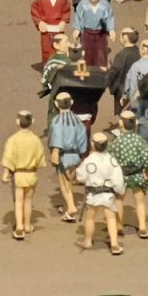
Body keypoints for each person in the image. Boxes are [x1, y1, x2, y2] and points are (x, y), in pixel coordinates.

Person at [75, 132, 125, 254]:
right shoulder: (111, 160)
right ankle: (114, 244)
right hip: (108, 194)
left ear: (92, 144)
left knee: (90, 218)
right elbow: (118, 178)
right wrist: (120, 190)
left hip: (93, 194)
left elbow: (80, 176)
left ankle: (88, 241)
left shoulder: (89, 160)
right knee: (111, 218)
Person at [0, 110, 46, 239]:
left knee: (19, 201)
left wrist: (6, 172)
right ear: (32, 122)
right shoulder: (35, 140)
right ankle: (27, 224)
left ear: (17, 121)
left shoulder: (13, 140)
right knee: (28, 200)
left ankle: (19, 226)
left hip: (19, 174)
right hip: (31, 173)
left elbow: (8, 157)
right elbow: (40, 158)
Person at [107, 112, 148, 238]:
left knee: (118, 200)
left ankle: (118, 225)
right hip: (137, 174)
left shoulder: (117, 141)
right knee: (140, 201)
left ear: (121, 123)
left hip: (121, 175)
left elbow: (110, 159)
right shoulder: (139, 141)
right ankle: (142, 227)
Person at [48, 92, 87, 224]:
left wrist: (55, 151)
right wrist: (81, 152)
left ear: (56, 104)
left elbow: (57, 137)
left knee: (64, 184)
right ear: (72, 103)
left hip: (63, 156)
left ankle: (70, 207)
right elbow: (83, 138)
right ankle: (66, 206)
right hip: (75, 155)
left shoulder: (57, 121)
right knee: (69, 182)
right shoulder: (77, 120)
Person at [31, 0, 73, 65]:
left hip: (58, 29)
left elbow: (66, 10)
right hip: (46, 30)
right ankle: (47, 68)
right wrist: (39, 22)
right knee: (47, 50)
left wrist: (63, 21)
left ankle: (59, 68)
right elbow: (34, 10)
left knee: (60, 48)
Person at [72, 0, 115, 67]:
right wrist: (77, 29)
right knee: (85, 53)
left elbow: (110, 17)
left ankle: (100, 71)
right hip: (87, 33)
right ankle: (86, 70)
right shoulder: (83, 3)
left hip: (100, 34)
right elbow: (78, 16)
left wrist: (111, 29)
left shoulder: (105, 5)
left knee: (101, 54)